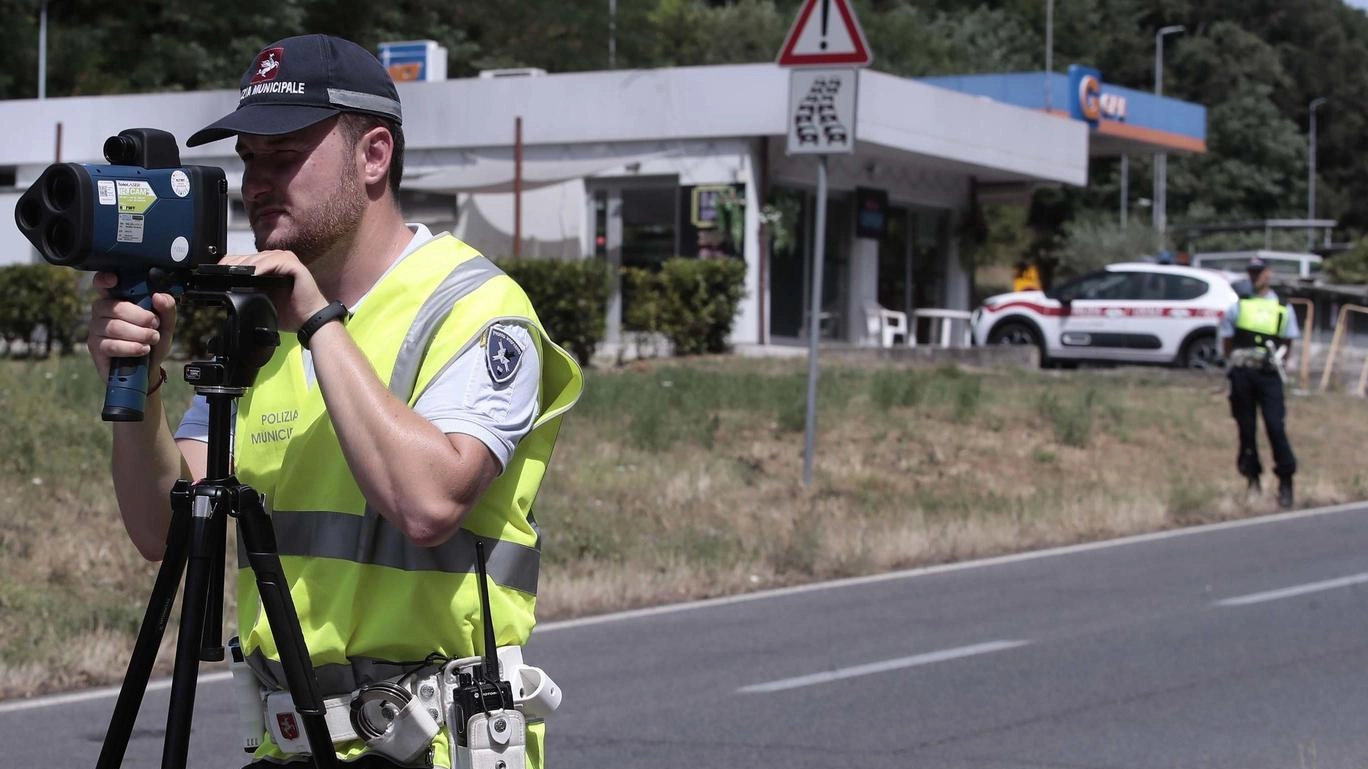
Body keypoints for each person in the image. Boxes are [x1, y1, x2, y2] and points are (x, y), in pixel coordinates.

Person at [86, 34, 583, 769]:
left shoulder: (472, 307)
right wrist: (143, 382)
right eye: (249, 158)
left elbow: (428, 504)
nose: (258, 182)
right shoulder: (263, 325)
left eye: (284, 157)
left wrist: (320, 325)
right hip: (287, 744)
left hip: (432, 745)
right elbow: (163, 528)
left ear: (373, 155)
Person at [1219, 256, 1298, 508]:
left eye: (1259, 272)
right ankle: (1252, 480)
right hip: (1243, 373)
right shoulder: (1238, 306)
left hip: (1269, 373)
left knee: (1275, 427)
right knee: (1246, 429)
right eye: (1252, 272)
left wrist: (1280, 363)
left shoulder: (1282, 307)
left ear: (1269, 274)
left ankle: (1285, 480)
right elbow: (1227, 342)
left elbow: (1289, 341)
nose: (1255, 276)